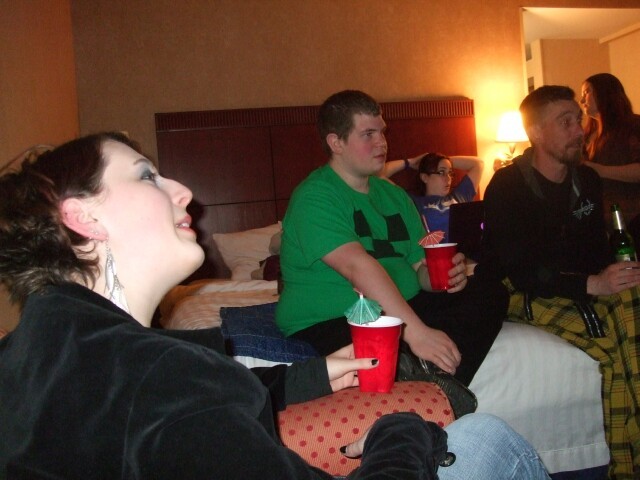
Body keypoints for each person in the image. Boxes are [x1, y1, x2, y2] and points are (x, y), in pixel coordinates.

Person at [0, 132, 551, 479]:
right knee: (484, 437)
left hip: (394, 309)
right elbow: (181, 398)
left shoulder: (37, 352)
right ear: (83, 218)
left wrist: (311, 375)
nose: (182, 190)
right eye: (148, 175)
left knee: (486, 291)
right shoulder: (158, 374)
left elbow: (189, 409)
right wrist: (400, 432)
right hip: (343, 321)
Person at [276, 90, 507, 388]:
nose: (382, 143)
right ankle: (436, 386)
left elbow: (419, 266)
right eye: (368, 134)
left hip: (401, 306)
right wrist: (415, 331)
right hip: (335, 317)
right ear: (336, 143)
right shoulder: (315, 197)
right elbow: (358, 267)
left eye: (382, 132)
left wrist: (443, 275)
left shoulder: (394, 195)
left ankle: (440, 386)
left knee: (489, 291)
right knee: (384, 350)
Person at [480, 85, 640, 479]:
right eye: (565, 122)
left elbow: (594, 249)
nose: (579, 130)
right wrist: (592, 285)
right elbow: (521, 270)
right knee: (611, 346)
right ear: (535, 133)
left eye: (578, 120)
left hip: (577, 282)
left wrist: (616, 272)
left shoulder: (586, 179)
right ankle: (625, 466)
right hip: (521, 288)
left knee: (632, 299)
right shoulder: (507, 187)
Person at [580, 73, 640, 233]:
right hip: (603, 220)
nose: (582, 100)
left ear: (605, 92)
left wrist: (600, 170)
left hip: (634, 216)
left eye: (587, 92)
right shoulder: (586, 135)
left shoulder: (633, 126)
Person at [380, 153, 483, 242]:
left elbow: (478, 164)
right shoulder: (413, 202)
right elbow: (378, 175)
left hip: (468, 254)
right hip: (439, 254)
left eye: (450, 173)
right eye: (441, 172)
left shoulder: (460, 195)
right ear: (425, 177)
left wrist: (445, 161)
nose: (448, 178)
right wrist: (410, 162)